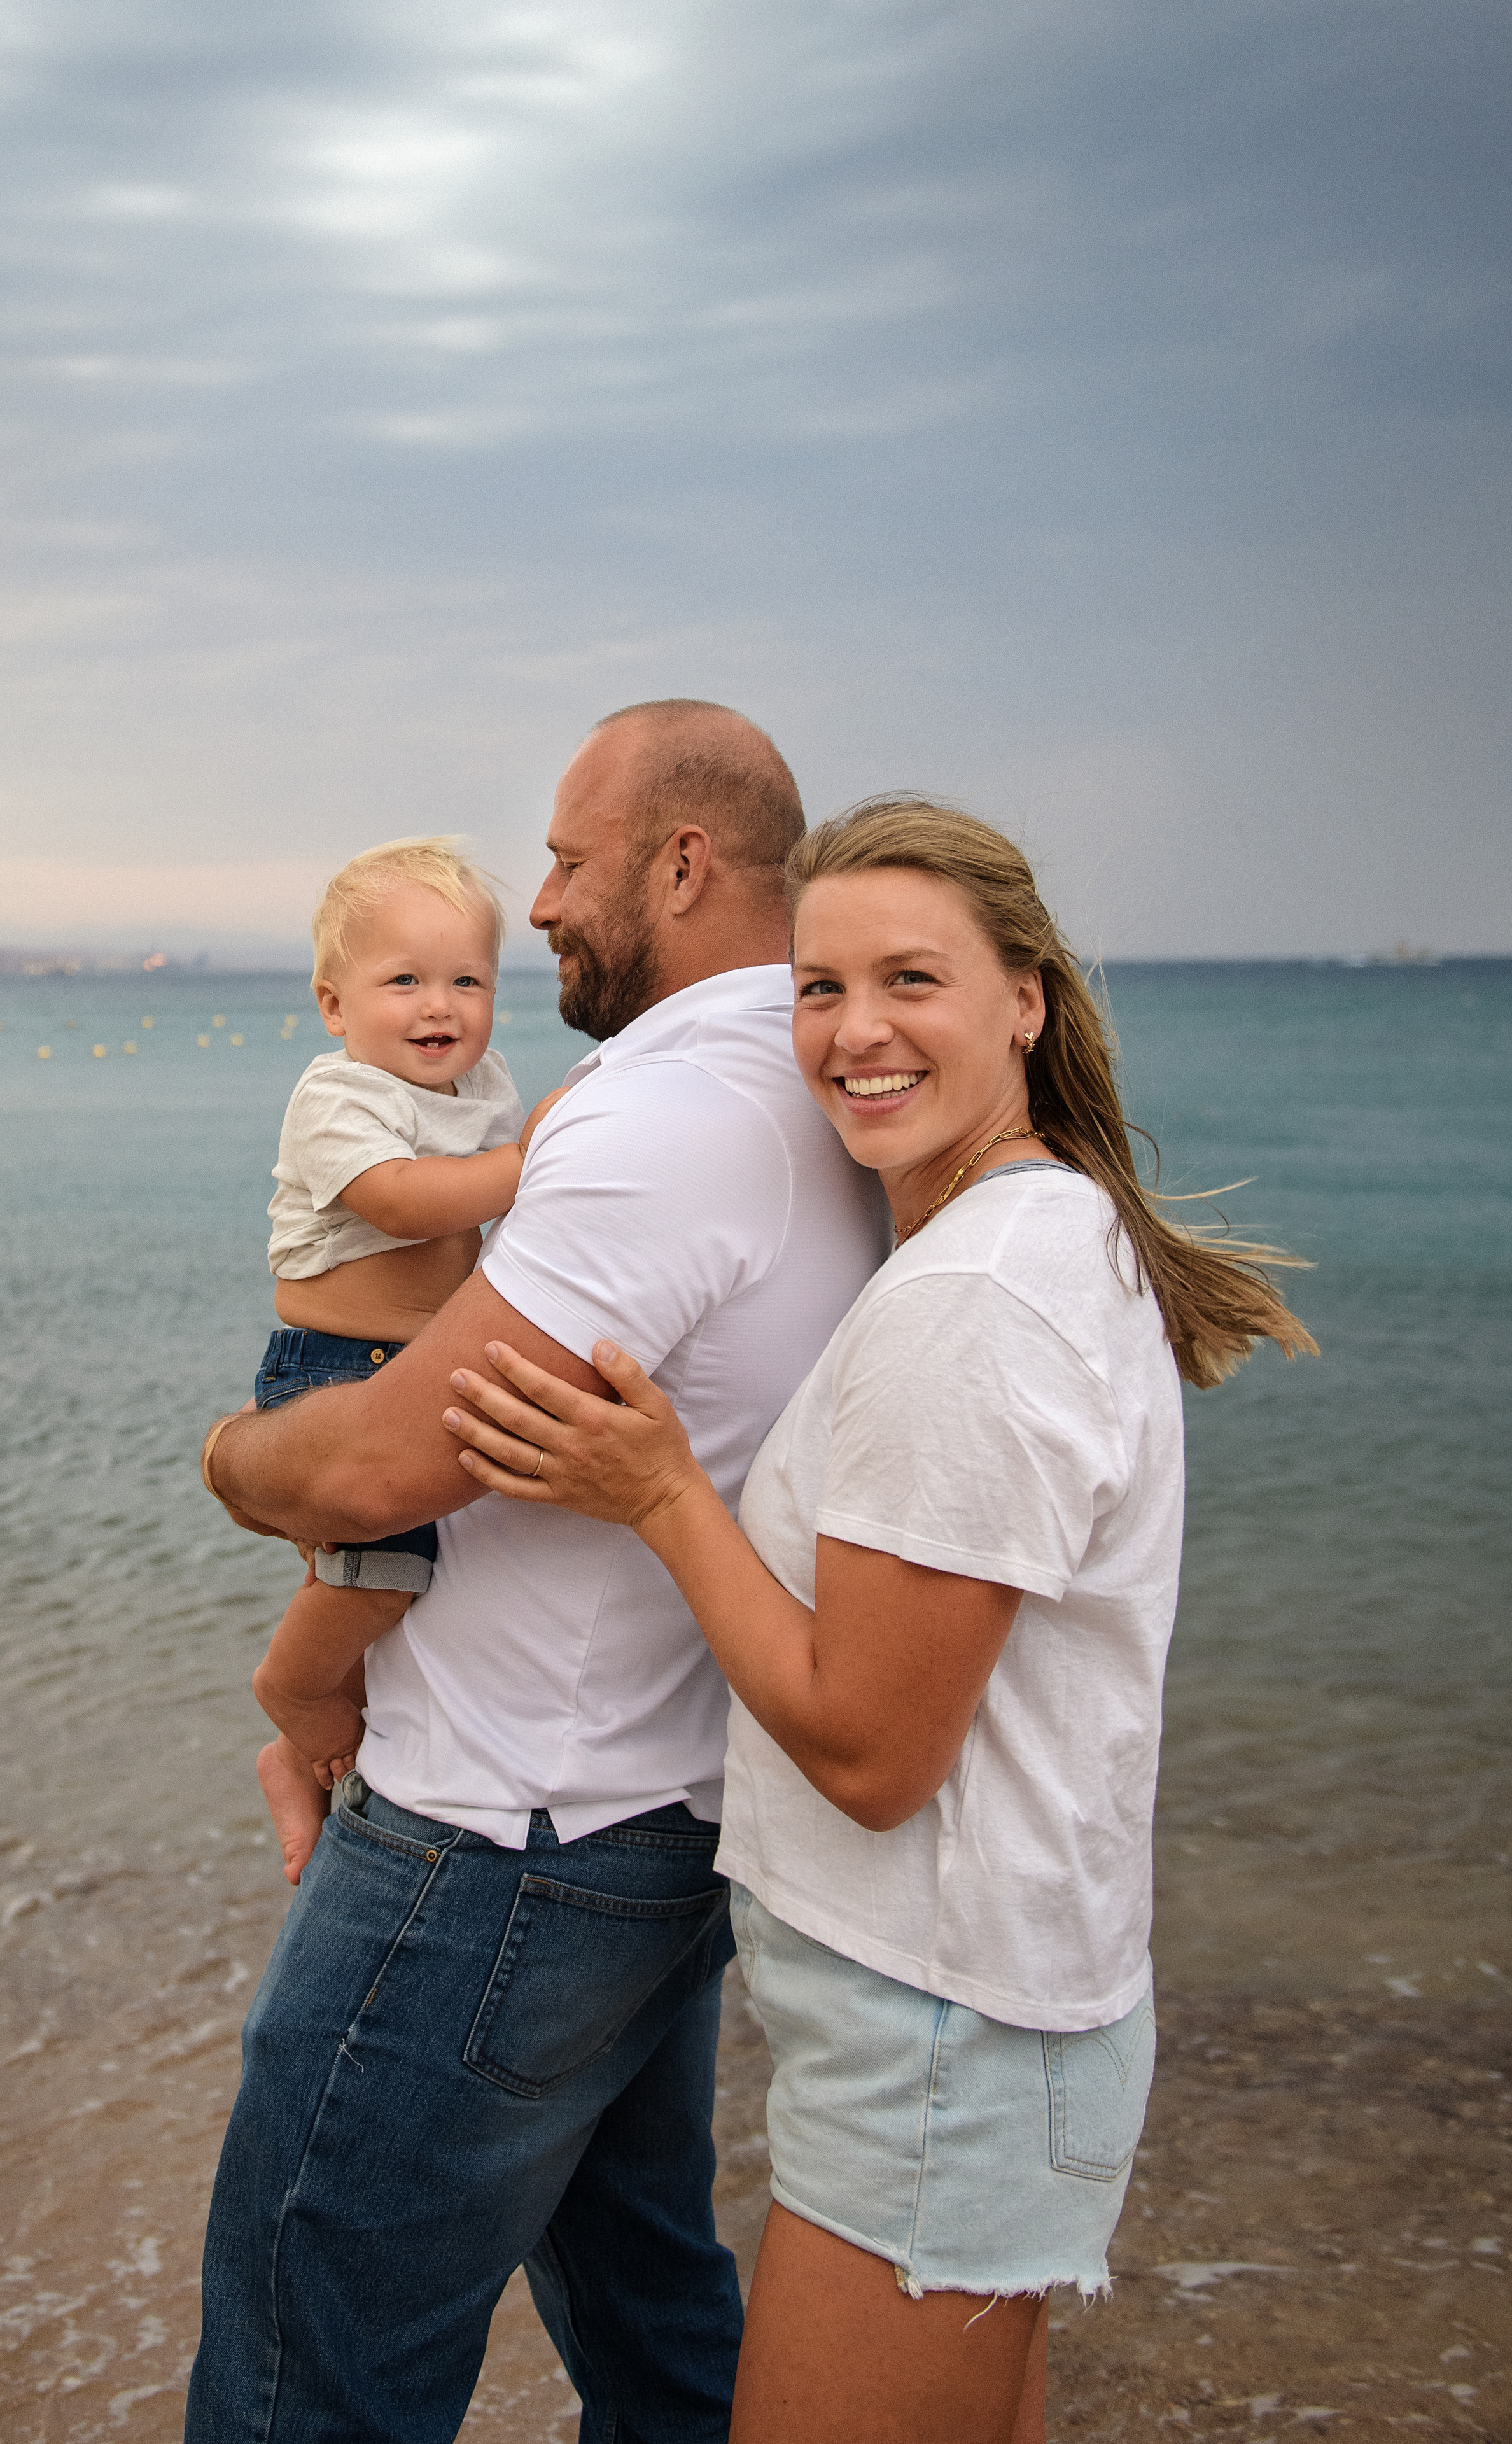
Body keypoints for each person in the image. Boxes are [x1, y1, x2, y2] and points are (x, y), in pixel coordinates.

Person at [444, 797, 1316, 2444]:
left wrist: (661, 1496)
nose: (853, 1033)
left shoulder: (975, 1301)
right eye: (817, 987)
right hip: (993, 2016)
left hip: (944, 2043)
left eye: (910, 979)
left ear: (1028, 1002)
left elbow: (870, 1749)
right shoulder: (1044, 1227)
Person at [185, 703, 890, 2444]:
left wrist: (228, 1457)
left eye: (569, 861)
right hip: (655, 1815)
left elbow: (374, 1462)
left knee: (308, 2371)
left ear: (680, 863)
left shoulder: (665, 1118)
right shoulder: (797, 1088)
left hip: (502, 1840)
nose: (550, 901)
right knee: (657, 2326)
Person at [239, 835, 562, 1886]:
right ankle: (290, 1692)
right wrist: (526, 1165)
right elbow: (401, 1201)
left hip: (408, 1365)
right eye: (405, 981)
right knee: (385, 1575)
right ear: (336, 1006)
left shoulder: (486, 1082)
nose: (440, 1006)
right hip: (333, 1368)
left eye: (467, 980)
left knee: (396, 1607)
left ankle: (300, 1763)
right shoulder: (340, 1097)